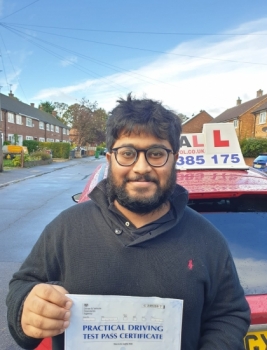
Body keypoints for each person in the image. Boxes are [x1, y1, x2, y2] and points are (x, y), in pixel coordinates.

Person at [7, 93, 250, 350]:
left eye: (156, 153)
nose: (141, 167)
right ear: (110, 159)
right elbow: (23, 285)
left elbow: (229, 315)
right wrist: (26, 307)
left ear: (175, 159)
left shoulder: (208, 239)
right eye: (127, 153)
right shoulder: (65, 229)